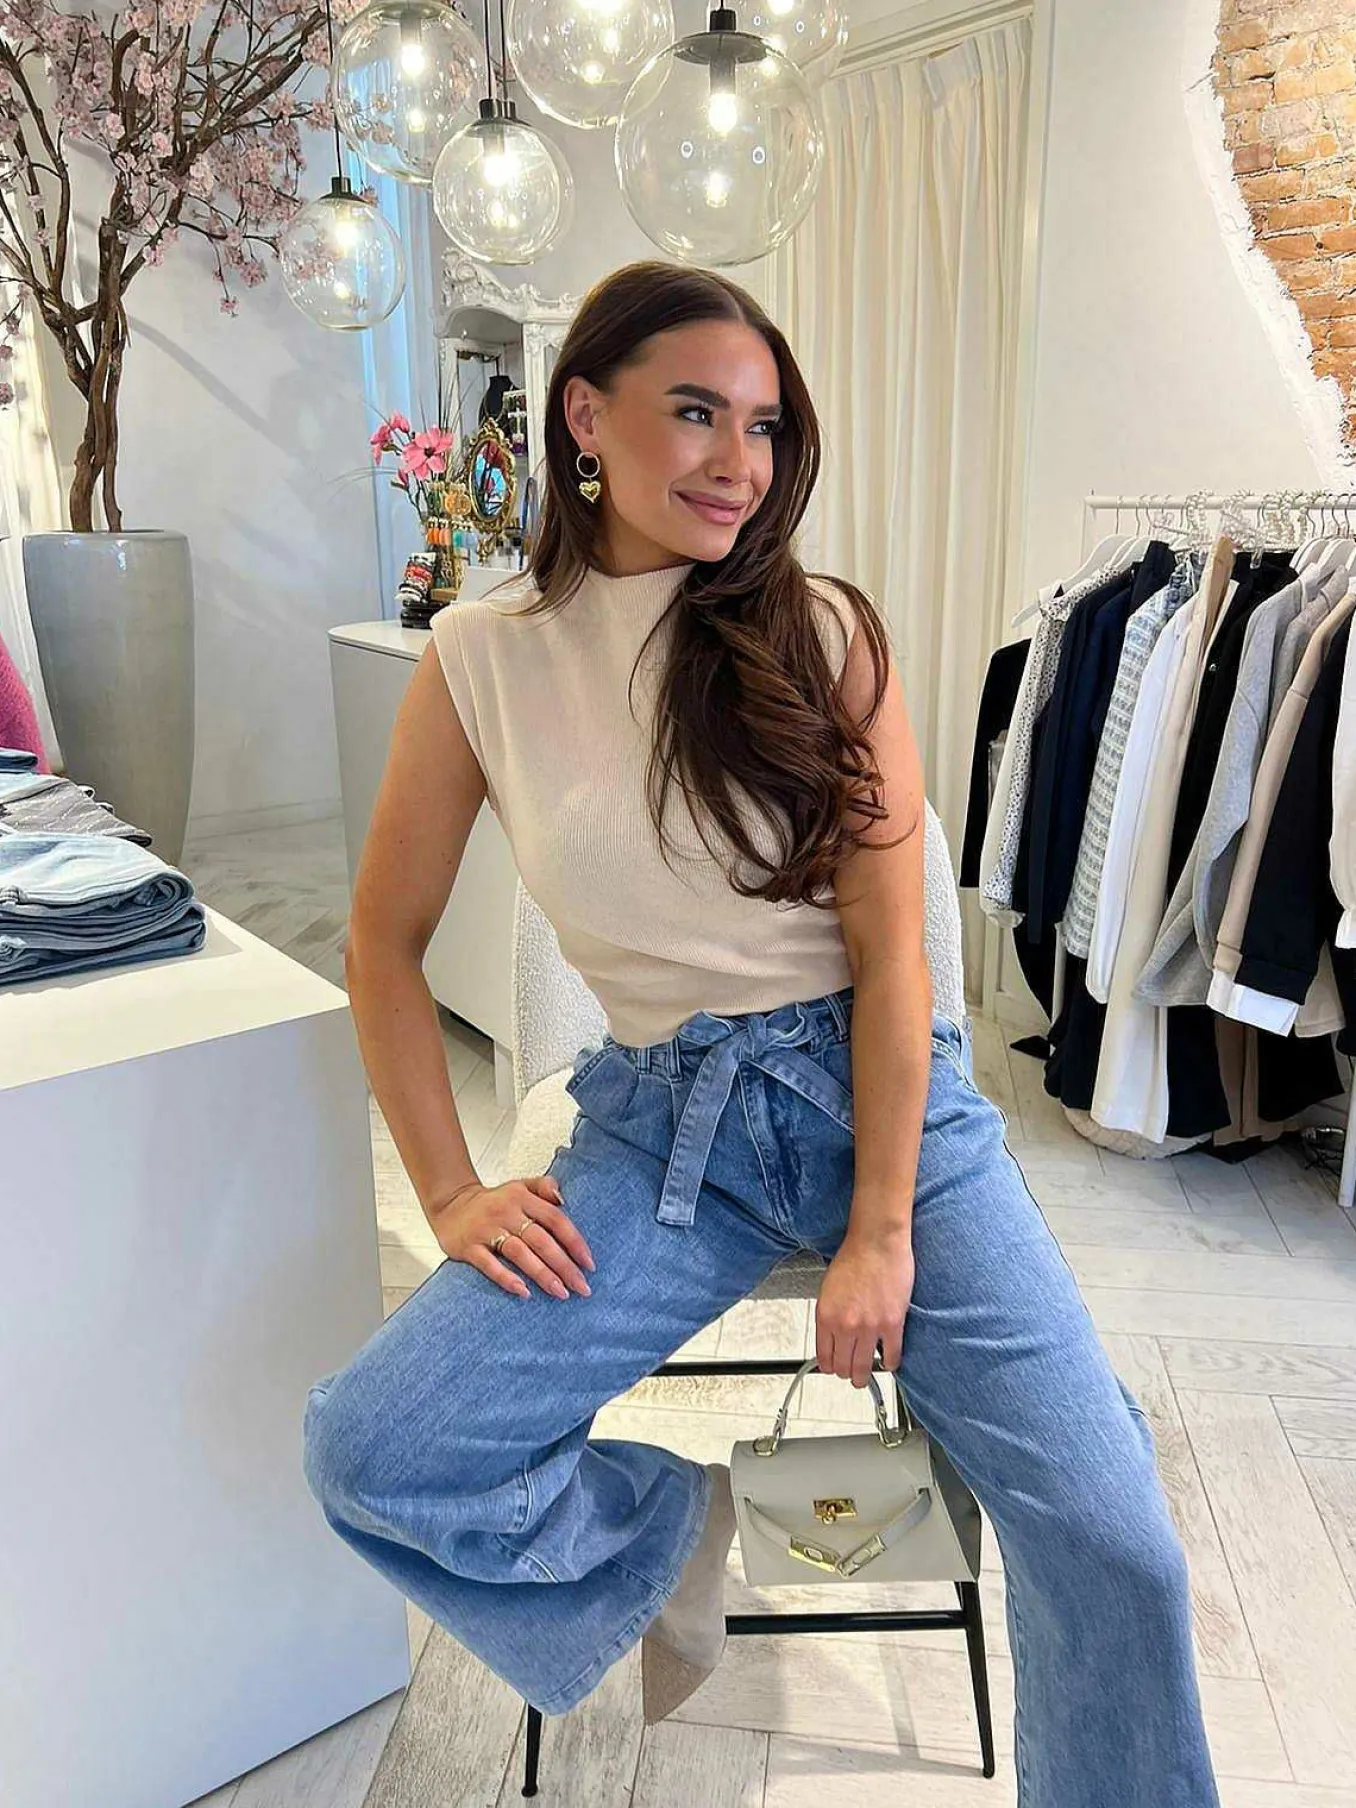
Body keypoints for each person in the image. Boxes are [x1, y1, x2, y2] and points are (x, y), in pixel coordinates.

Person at [301, 259, 1220, 1804]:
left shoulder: (824, 633)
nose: (740, 461)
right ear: (583, 416)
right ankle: (667, 1540)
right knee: (376, 1447)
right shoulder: (480, 658)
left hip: (886, 1114)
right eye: (695, 414)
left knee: (1116, 1541)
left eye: (766, 425)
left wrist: (881, 1230)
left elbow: (892, 957)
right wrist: (450, 1191)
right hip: (663, 1135)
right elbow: (379, 944)